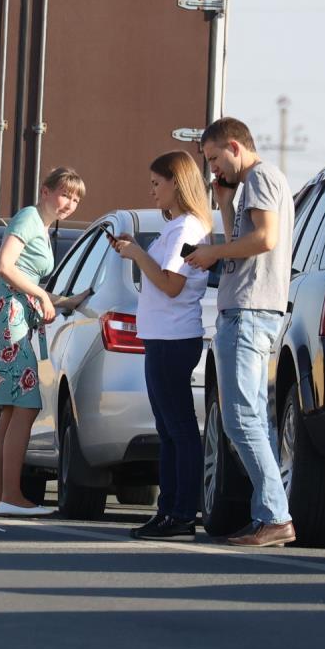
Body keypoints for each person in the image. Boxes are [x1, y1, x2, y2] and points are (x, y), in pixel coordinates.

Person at [185, 117, 296, 547]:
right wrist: (224, 203)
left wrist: (212, 253)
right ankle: (269, 513)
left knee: (241, 418)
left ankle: (275, 515)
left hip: (249, 310)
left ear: (235, 145)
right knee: (249, 418)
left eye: (215, 159)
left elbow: (264, 239)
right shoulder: (250, 184)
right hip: (246, 308)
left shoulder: (262, 177)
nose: (214, 169)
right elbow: (244, 235)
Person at [109, 152, 213, 540]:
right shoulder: (178, 227)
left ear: (177, 183)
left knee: (179, 429)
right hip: (164, 337)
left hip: (173, 338)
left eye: (157, 184)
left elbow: (172, 284)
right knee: (169, 430)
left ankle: (182, 512)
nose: (152, 191)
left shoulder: (186, 228)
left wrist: (135, 253)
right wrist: (137, 248)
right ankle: (169, 510)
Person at [0, 166, 85, 517]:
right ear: (45, 190)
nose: (70, 203)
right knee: (24, 407)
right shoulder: (28, 218)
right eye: (65, 194)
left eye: (75, 199)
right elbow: (4, 266)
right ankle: (11, 496)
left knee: (11, 411)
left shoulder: (40, 226)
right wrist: (42, 296)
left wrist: (63, 301)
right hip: (10, 318)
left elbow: (22, 276)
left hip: (10, 314)